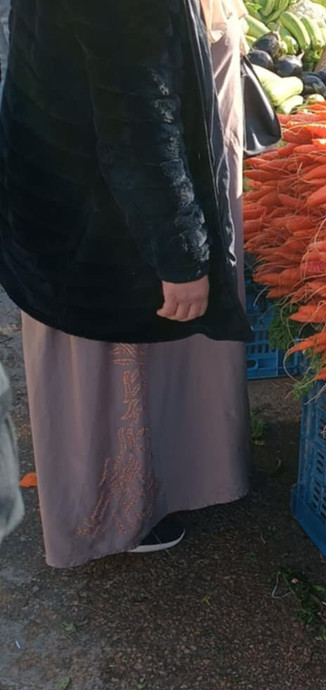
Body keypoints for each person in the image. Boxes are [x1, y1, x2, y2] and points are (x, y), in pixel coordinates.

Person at [0, 0, 252, 568]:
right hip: (107, 221)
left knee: (131, 365)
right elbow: (137, 122)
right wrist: (182, 256)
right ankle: (116, 514)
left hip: (89, 198)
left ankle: (151, 486)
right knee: (116, 369)